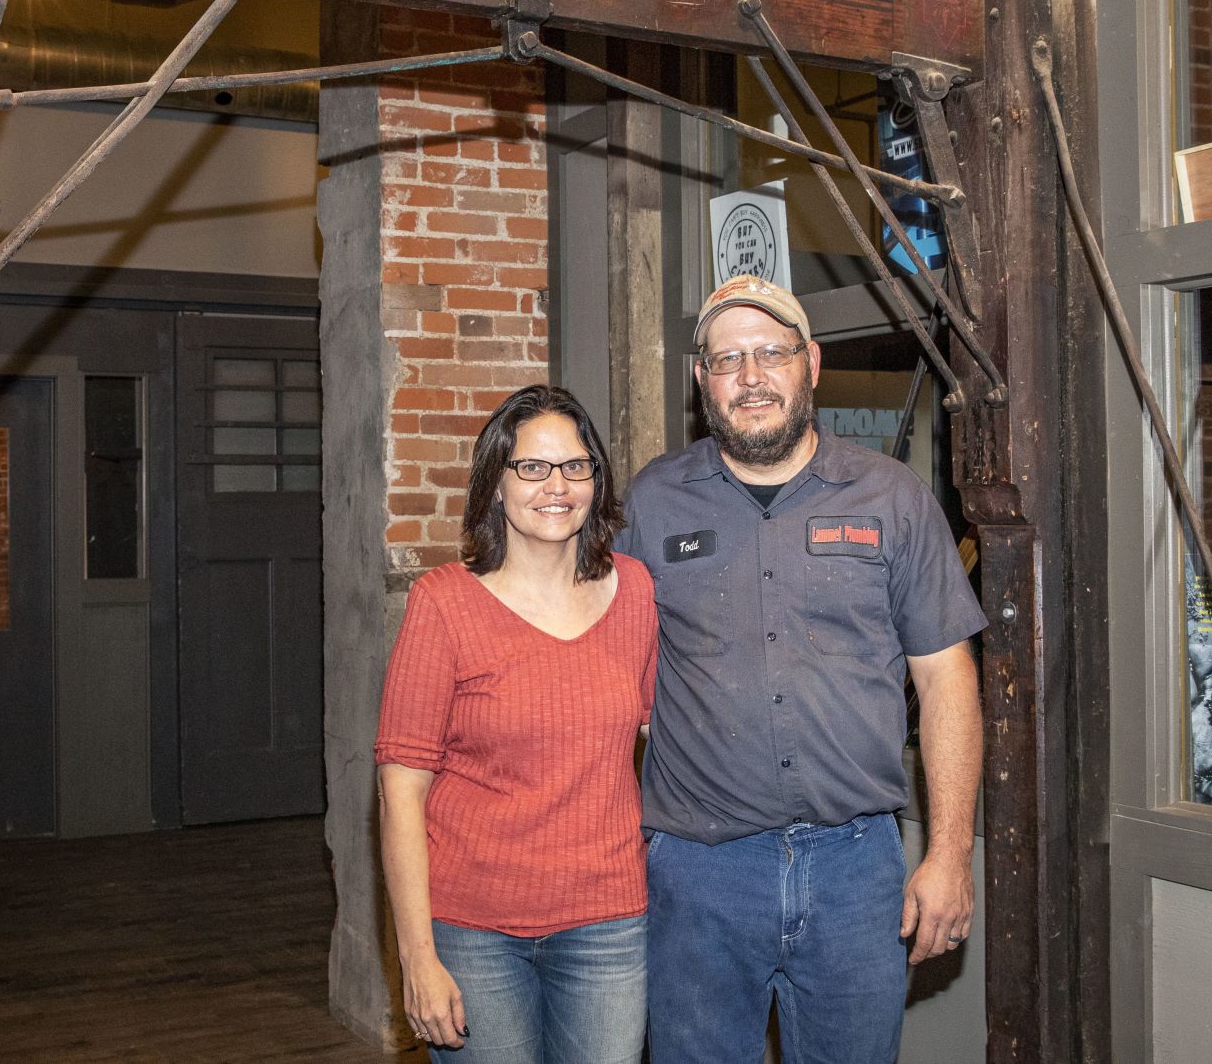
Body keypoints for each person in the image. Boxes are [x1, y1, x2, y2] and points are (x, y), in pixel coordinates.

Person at [617, 274, 986, 1064]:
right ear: (701, 380)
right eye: (727, 359)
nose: (750, 377)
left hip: (856, 873)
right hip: (698, 872)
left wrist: (949, 855)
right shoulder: (652, 502)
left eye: (771, 353)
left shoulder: (891, 497)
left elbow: (946, 679)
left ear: (810, 363)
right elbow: (606, 671)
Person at [375, 385, 657, 1062]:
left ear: (596, 479)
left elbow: (666, 736)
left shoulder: (637, 592)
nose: (555, 486)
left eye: (574, 466)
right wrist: (416, 958)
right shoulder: (442, 604)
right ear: (495, 485)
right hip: (473, 932)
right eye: (531, 467)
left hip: (607, 926)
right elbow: (400, 792)